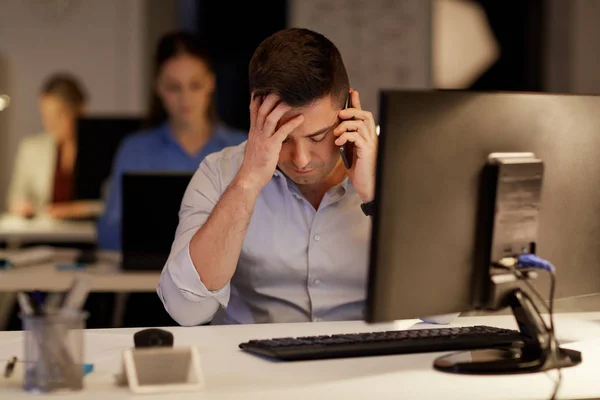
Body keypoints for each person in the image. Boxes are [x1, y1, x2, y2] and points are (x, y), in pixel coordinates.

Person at [158, 28, 459, 326]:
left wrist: (377, 196)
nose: (301, 159)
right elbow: (187, 311)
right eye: (282, 137)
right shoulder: (220, 173)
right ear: (255, 113)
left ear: (349, 111)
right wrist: (248, 182)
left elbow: (444, 310)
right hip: (252, 367)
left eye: (318, 137)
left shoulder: (399, 167)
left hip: (366, 363)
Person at [96, 31, 247, 251]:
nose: (185, 98)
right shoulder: (135, 150)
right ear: (158, 87)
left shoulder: (242, 149)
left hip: (228, 282)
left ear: (210, 83)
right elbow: (109, 236)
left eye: (195, 85)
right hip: (147, 280)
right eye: (174, 87)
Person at [6, 73, 102, 219]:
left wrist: (80, 209)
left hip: (87, 235)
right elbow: (15, 198)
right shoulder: (32, 148)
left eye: (59, 115)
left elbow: (111, 203)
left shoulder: (98, 150)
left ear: (80, 111)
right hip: (44, 234)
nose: (50, 124)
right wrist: (24, 207)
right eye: (45, 116)